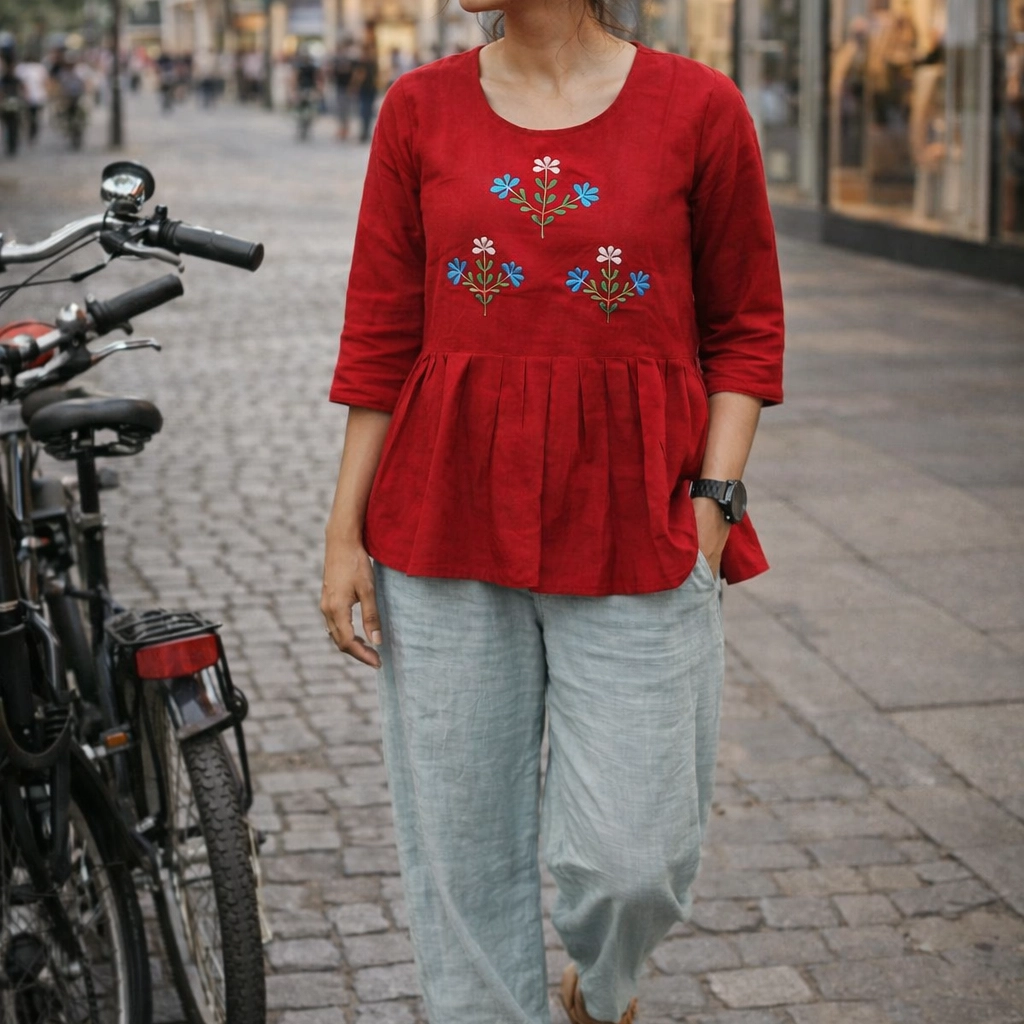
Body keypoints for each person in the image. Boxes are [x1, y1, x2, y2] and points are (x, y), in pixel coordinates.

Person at [321, 0, 784, 1021]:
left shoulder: (701, 110)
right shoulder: (415, 109)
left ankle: (601, 985)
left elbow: (746, 328)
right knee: (462, 850)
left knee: (635, 859)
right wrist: (343, 531)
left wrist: (714, 502)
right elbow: (380, 333)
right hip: (441, 520)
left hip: (640, 519)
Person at [15, 53, 48, 144]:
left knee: (30, 117)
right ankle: (31, 133)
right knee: (32, 117)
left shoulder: (21, 68)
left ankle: (31, 133)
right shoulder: (38, 68)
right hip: (35, 97)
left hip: (33, 97)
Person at [349, 42, 378, 142]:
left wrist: (355, 85)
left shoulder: (366, 62)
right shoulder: (371, 62)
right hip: (368, 88)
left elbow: (360, 75)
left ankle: (365, 132)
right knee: (366, 110)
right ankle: (365, 132)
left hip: (367, 89)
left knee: (365, 110)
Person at [332, 38, 356, 140]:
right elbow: (334, 72)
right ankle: (342, 128)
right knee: (340, 109)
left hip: (347, 87)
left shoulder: (351, 60)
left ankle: (345, 129)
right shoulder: (337, 59)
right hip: (340, 86)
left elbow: (353, 74)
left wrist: (352, 86)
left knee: (346, 109)